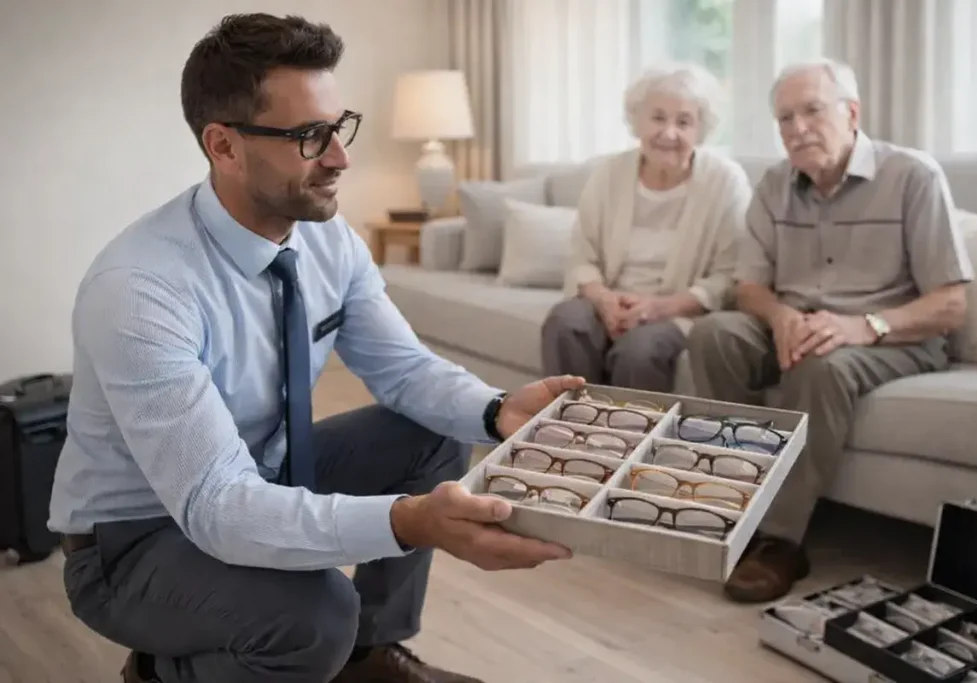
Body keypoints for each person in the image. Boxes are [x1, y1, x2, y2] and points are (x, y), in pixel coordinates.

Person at [48, 13, 580, 683]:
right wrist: (410, 520)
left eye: (339, 125)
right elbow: (217, 506)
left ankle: (370, 656)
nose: (341, 156)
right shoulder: (141, 289)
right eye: (309, 136)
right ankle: (162, 672)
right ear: (224, 146)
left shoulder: (326, 237)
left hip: (257, 474)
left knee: (433, 431)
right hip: (135, 538)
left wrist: (498, 408)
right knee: (317, 614)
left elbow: (404, 368)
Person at [687, 58, 973, 603]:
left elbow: (951, 304)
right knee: (714, 333)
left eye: (812, 111)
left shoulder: (913, 175)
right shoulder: (774, 183)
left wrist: (865, 325)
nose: (797, 128)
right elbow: (750, 286)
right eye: (785, 118)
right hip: (798, 325)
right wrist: (782, 317)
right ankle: (735, 505)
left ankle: (779, 543)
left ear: (852, 113)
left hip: (893, 336)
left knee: (821, 363)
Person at [540, 63, 752, 394]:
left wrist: (659, 307)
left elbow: (729, 276)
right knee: (565, 322)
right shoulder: (609, 173)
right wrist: (604, 299)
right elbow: (583, 256)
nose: (669, 133)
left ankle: (633, 444)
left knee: (639, 352)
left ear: (701, 129)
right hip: (610, 302)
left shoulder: (726, 181)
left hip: (677, 312)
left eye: (684, 121)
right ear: (637, 121)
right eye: (658, 118)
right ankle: (572, 433)